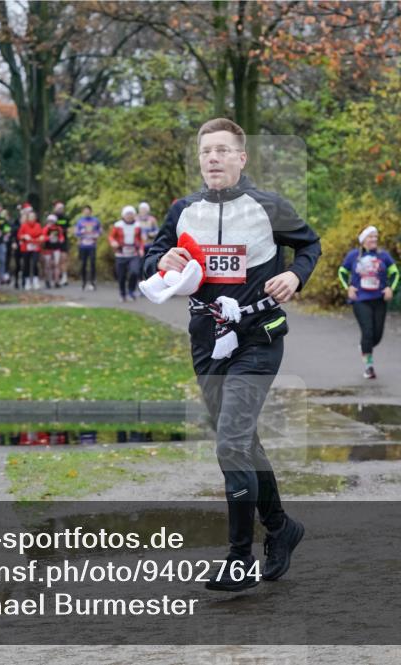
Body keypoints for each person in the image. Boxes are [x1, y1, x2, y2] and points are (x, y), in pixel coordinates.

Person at [143, 117, 321, 592]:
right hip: (206, 343)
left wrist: (296, 276)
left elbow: (309, 245)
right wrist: (161, 260)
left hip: (258, 339)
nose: (214, 159)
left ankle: (239, 557)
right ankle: (282, 528)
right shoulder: (183, 209)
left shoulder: (268, 207)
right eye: (206, 152)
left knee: (231, 443)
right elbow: (152, 254)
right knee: (241, 441)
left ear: (242, 158)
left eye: (223, 151)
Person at [338, 225, 399, 379]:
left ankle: (365, 347)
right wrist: (349, 287)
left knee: (377, 335)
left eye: (375, 237)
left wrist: (390, 288)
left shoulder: (383, 255)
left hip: (379, 299)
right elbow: (342, 272)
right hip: (360, 299)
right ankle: (369, 366)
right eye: (370, 237)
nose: (374, 239)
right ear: (363, 240)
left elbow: (394, 272)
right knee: (368, 331)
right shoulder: (354, 256)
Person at [109, 205, 144, 301]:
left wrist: (141, 249)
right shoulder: (118, 225)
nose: (129, 216)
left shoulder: (138, 225)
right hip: (121, 254)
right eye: (127, 214)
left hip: (134, 253)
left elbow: (140, 239)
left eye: (131, 214)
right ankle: (122, 293)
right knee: (121, 275)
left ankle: (131, 291)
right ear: (123, 215)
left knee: (134, 272)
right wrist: (113, 242)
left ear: (134, 215)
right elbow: (111, 237)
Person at [74, 205, 102, 290]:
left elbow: (100, 230)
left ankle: (92, 282)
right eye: (85, 211)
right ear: (83, 212)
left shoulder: (95, 220)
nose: (86, 212)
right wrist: (81, 232)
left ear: (90, 211)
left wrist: (96, 234)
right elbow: (76, 232)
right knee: (83, 264)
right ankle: (84, 282)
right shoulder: (80, 221)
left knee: (92, 263)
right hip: (83, 246)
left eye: (88, 211)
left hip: (92, 245)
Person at [17, 204, 43, 290]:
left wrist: (38, 239)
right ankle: (27, 281)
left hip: (35, 246)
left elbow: (41, 235)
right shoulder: (24, 226)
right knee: (26, 264)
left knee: (35, 263)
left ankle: (35, 280)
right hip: (26, 247)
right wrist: (24, 236)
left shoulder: (38, 225)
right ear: (27, 218)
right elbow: (19, 235)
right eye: (30, 217)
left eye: (33, 217)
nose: (32, 218)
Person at [41, 214, 65, 289]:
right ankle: (47, 280)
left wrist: (61, 240)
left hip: (56, 248)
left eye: (52, 221)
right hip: (47, 248)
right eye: (49, 221)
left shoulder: (58, 228)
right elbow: (42, 237)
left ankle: (56, 281)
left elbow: (61, 236)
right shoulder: (46, 228)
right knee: (48, 265)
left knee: (56, 264)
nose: (50, 222)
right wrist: (48, 237)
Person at [51, 201, 71, 286]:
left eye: (62, 208)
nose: (60, 210)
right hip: (54, 242)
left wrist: (63, 231)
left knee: (64, 259)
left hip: (63, 241)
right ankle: (56, 277)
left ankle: (64, 277)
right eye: (58, 208)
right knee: (55, 261)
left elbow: (69, 228)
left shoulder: (65, 218)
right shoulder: (52, 218)